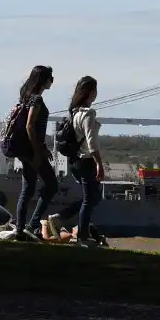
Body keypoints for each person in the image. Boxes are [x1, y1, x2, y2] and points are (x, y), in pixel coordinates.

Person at [14, 65, 58, 242]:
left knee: (28, 189)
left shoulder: (25, 97)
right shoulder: (36, 99)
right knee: (52, 185)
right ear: (43, 80)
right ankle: (31, 225)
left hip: (25, 150)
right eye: (50, 78)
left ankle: (20, 230)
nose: (52, 81)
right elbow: (30, 126)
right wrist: (39, 150)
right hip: (32, 151)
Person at [68, 76, 104, 248]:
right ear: (91, 92)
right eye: (95, 90)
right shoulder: (88, 113)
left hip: (76, 161)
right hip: (87, 161)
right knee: (90, 199)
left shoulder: (74, 113)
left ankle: (76, 228)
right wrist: (99, 164)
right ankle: (82, 236)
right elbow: (92, 143)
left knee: (91, 197)